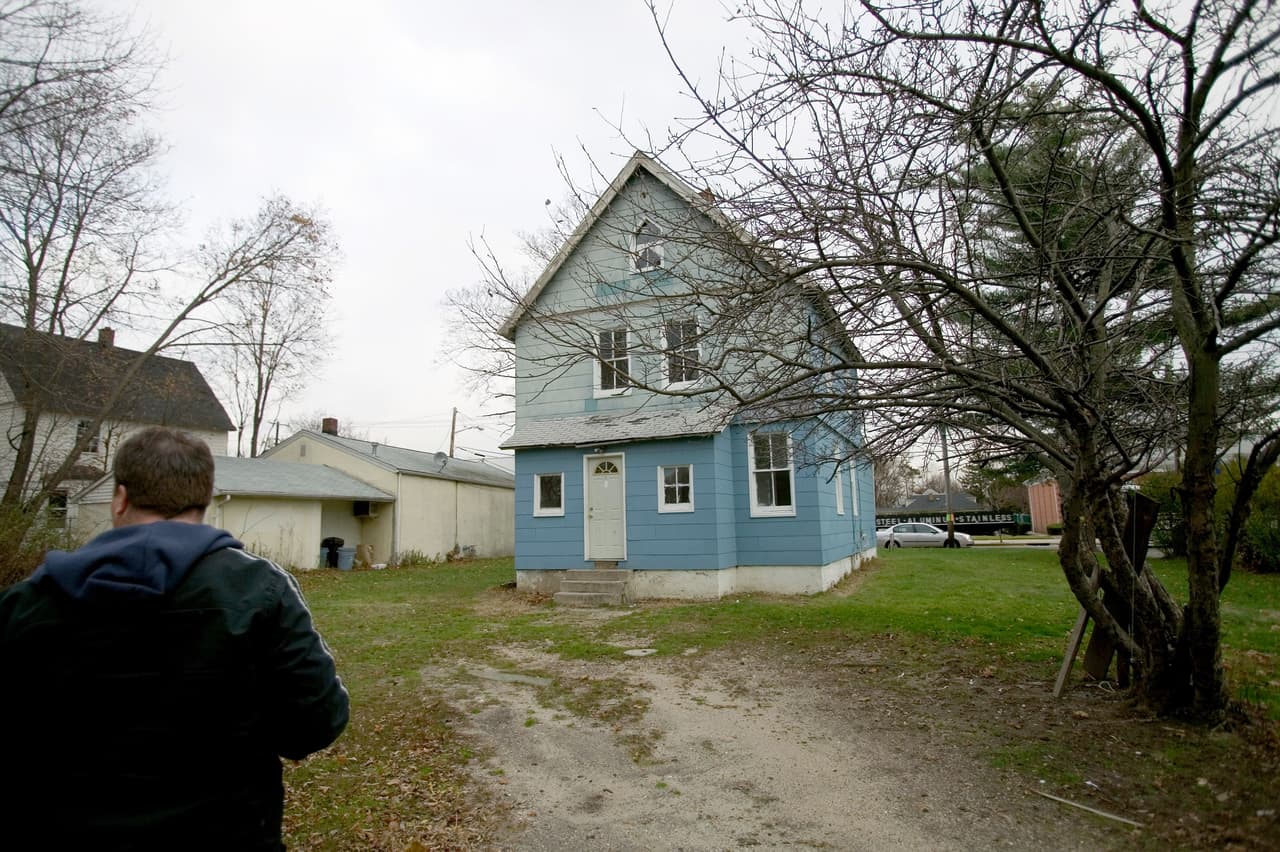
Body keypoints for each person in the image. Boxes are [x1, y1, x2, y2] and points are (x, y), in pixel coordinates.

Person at [0, 427, 349, 850]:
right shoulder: (261, 590)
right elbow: (315, 724)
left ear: (120, 498)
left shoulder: (26, 602)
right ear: (203, 502)